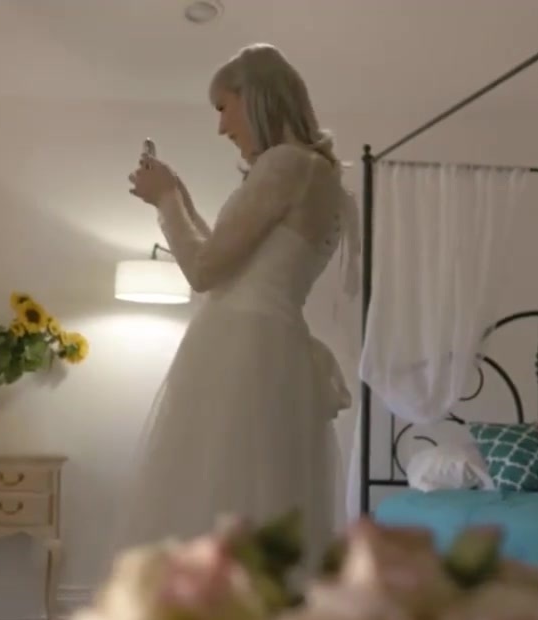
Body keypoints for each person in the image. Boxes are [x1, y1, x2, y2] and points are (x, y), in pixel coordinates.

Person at [119, 43, 359, 565]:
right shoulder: (317, 173)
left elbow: (204, 272)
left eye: (224, 108)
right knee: (251, 507)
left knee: (215, 506)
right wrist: (178, 195)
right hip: (273, 347)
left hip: (242, 350)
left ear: (256, 99)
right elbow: (232, 264)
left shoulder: (285, 164)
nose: (222, 127)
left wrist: (166, 201)